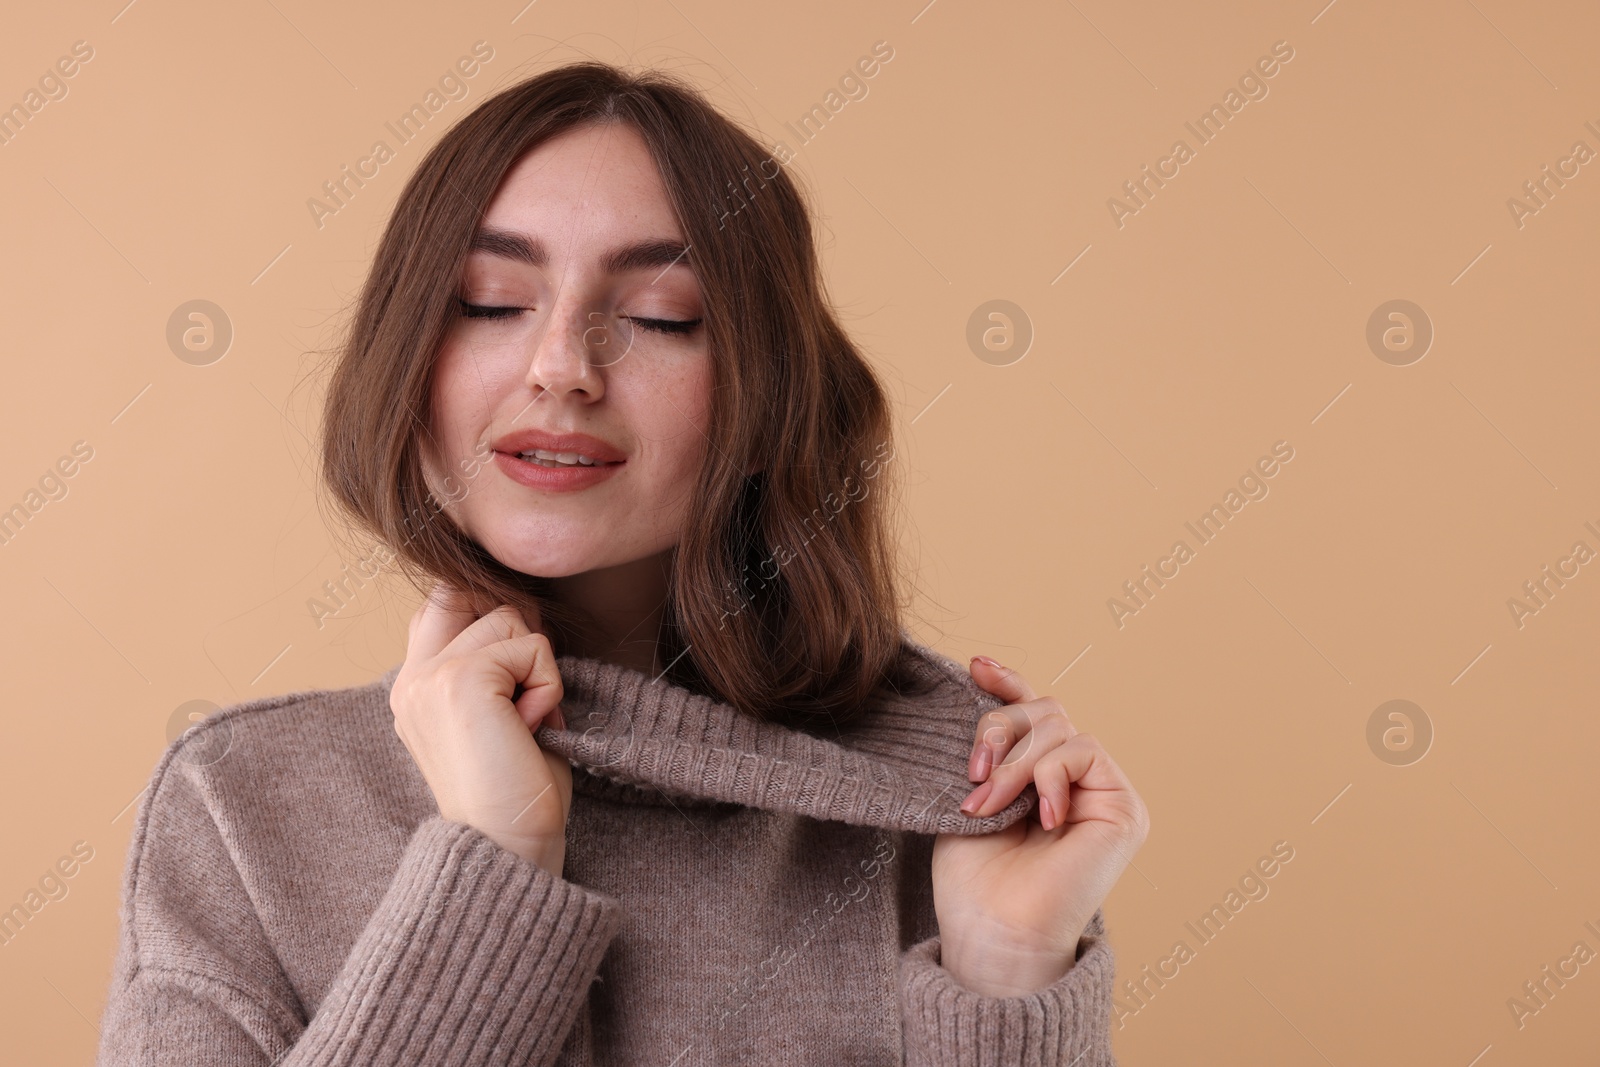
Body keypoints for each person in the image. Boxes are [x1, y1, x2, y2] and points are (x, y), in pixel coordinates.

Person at [95, 60, 1148, 1065]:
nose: (561, 367)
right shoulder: (245, 806)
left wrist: (1007, 972)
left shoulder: (953, 810)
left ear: (769, 391)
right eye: (490, 302)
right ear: (406, 358)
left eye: (658, 317)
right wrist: (494, 861)